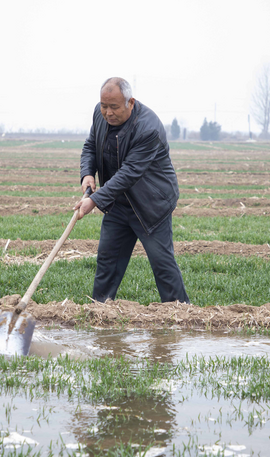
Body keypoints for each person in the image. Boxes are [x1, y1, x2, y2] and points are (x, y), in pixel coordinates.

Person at [73, 77, 189, 303]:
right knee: (107, 261)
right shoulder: (100, 114)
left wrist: (95, 200)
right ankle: (100, 311)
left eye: (114, 107)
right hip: (117, 203)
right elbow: (90, 146)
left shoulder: (148, 127)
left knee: (162, 264)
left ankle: (181, 313)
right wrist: (87, 173)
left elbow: (129, 173)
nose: (108, 113)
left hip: (150, 205)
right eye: (104, 106)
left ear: (130, 102)